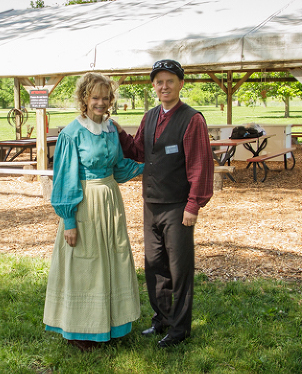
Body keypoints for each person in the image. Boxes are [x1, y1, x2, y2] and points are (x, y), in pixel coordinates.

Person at [43, 72, 144, 352]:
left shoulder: (111, 129)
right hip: (84, 203)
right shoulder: (71, 133)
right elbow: (65, 179)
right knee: (85, 265)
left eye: (105, 97)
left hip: (110, 201)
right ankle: (81, 330)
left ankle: (109, 323)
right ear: (84, 99)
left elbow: (120, 166)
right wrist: (69, 220)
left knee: (112, 259)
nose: (100, 102)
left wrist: (150, 166)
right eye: (95, 97)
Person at [117, 59, 214, 348]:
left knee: (179, 268)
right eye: (159, 81)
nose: (164, 86)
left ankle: (180, 329)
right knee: (154, 265)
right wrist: (116, 131)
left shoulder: (191, 119)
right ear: (154, 86)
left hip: (178, 206)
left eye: (170, 80)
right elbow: (137, 151)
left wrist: (193, 205)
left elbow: (200, 165)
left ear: (181, 83)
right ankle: (161, 319)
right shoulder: (149, 117)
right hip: (152, 204)